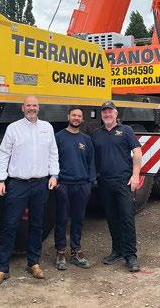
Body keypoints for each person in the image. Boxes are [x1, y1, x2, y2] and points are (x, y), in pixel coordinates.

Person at [0, 95, 59, 286]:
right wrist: (0, 179)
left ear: (39, 107)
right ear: (22, 108)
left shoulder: (47, 127)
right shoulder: (14, 128)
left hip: (40, 184)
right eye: (28, 105)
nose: (31, 108)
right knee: (10, 225)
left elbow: (53, 153)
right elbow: (3, 154)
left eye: (34, 105)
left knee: (37, 225)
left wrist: (54, 175)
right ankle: (2, 269)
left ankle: (33, 263)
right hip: (18, 184)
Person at [91, 101, 142, 272]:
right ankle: (117, 250)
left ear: (116, 113)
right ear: (102, 115)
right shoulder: (96, 134)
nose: (107, 114)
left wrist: (135, 175)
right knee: (112, 218)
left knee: (126, 218)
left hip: (123, 181)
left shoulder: (126, 130)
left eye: (110, 111)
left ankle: (131, 256)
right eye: (104, 112)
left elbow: (137, 152)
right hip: (104, 182)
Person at [54, 107, 96, 270]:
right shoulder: (58, 137)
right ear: (68, 117)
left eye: (79, 116)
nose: (76, 118)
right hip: (63, 185)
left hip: (82, 185)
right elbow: (53, 160)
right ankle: (60, 252)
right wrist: (56, 180)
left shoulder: (86, 139)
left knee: (78, 219)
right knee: (62, 219)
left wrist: (90, 182)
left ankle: (76, 251)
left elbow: (91, 161)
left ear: (82, 119)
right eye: (74, 115)